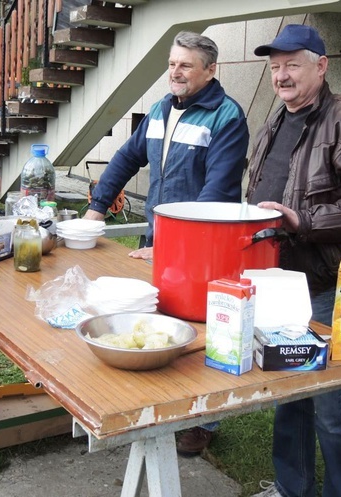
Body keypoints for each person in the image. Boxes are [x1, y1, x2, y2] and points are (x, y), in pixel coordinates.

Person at [83, 30, 249, 456]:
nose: (175, 72)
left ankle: (204, 420)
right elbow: (125, 158)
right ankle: (158, 404)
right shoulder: (160, 109)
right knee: (157, 325)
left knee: (200, 332)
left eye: (185, 65)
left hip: (203, 247)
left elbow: (217, 192)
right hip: (156, 238)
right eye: (172, 63)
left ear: (211, 71)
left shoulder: (226, 117)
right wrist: (96, 210)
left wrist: (176, 247)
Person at [246, 25, 341, 497]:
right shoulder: (277, 120)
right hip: (283, 283)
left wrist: (303, 221)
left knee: (334, 404)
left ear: (321, 66)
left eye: (292, 64)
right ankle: (293, 489)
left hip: (337, 282)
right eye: (275, 67)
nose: (281, 76)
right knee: (290, 391)